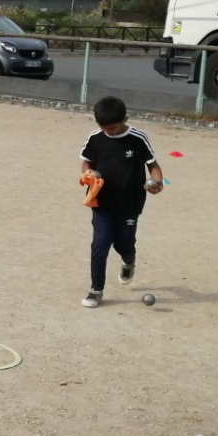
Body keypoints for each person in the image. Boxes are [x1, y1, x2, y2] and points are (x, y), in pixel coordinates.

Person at [78, 96, 164, 308]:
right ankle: (96, 290)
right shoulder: (95, 138)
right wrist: (88, 174)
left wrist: (157, 183)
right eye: (104, 128)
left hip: (130, 203)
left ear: (124, 119)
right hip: (101, 201)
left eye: (113, 128)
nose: (109, 132)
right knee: (100, 243)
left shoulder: (138, 138)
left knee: (124, 242)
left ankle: (128, 260)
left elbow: (153, 166)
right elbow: (86, 162)